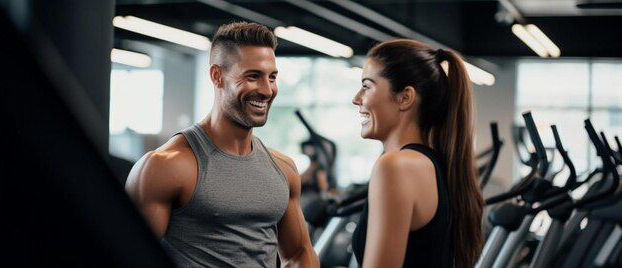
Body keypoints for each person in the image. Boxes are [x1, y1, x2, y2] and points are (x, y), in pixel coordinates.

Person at [125, 22, 319, 268]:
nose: (267, 90)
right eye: (253, 76)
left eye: (272, 77)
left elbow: (300, 254)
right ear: (217, 76)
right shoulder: (165, 167)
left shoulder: (283, 169)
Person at [350, 39, 485, 268]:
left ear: (405, 97)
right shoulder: (434, 164)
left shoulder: (395, 166)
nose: (357, 99)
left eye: (366, 86)